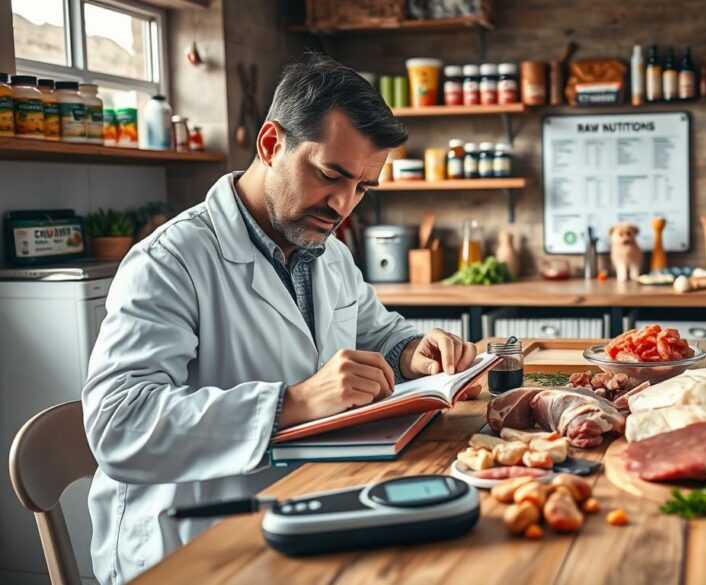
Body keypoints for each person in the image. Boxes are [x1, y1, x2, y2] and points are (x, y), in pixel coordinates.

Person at [81, 53, 479, 584]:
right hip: (191, 546)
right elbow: (118, 424)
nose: (343, 205)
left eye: (362, 187)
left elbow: (375, 332)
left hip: (305, 512)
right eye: (330, 175)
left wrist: (410, 349)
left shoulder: (325, 249)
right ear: (271, 144)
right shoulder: (170, 260)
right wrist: (293, 402)